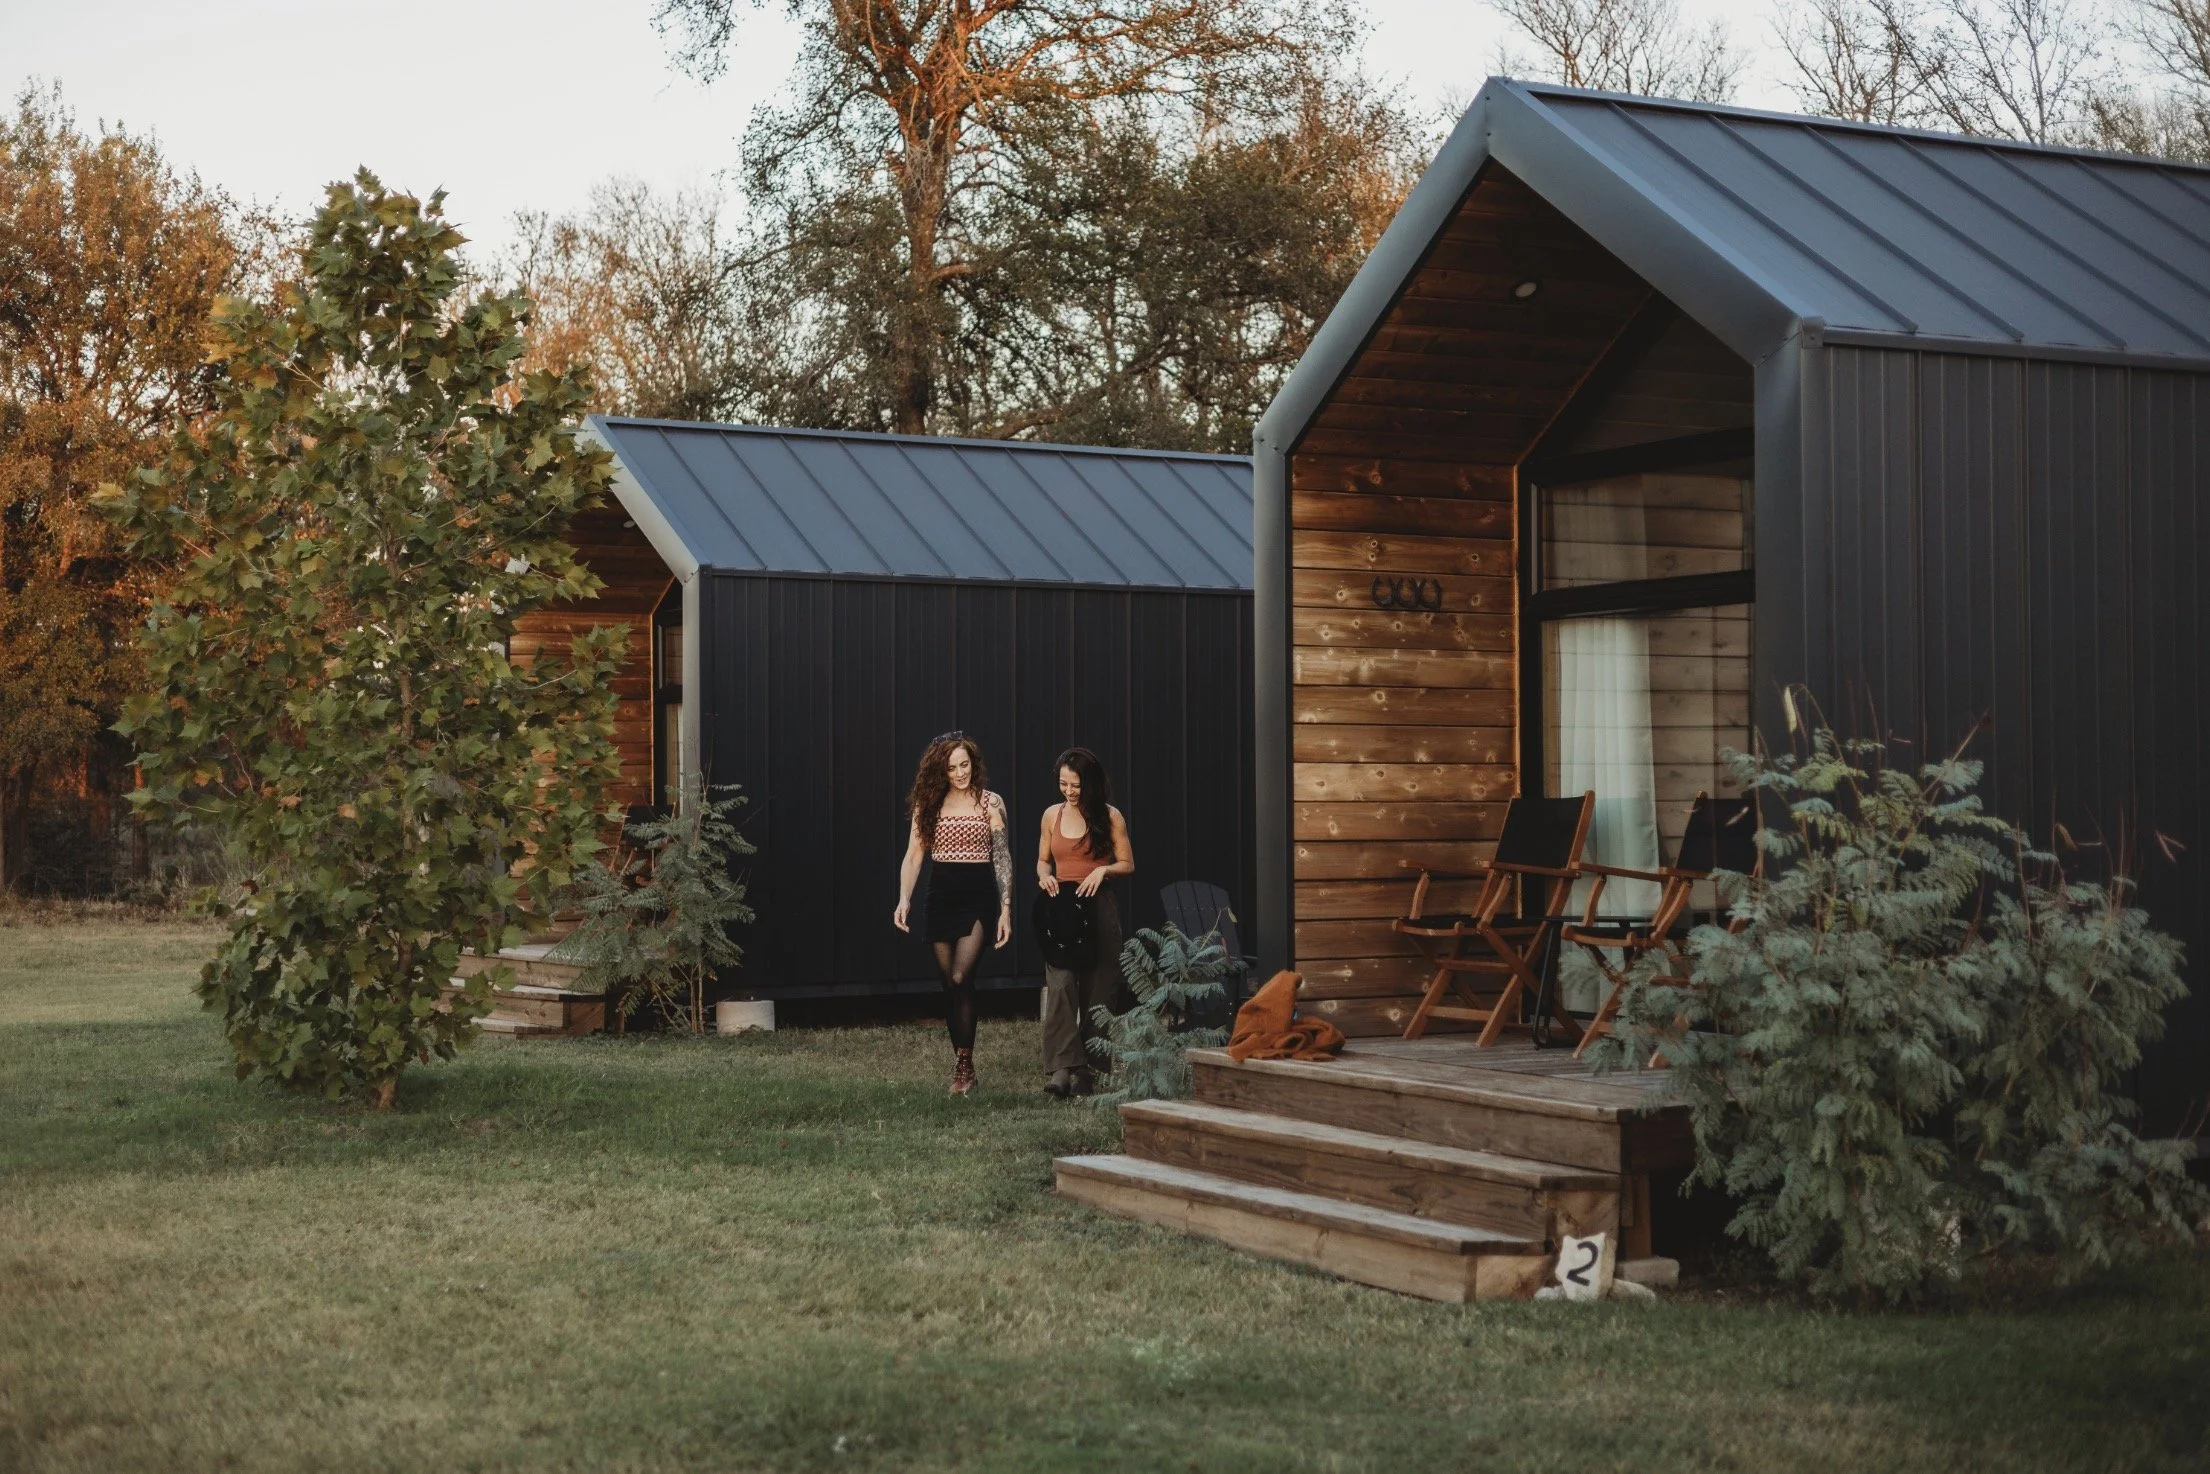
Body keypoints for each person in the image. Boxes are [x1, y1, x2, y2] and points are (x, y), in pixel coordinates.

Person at [893, 733, 1012, 1096]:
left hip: (977, 896)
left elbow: (1002, 857)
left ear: (973, 763)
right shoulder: (928, 805)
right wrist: (904, 899)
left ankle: (963, 1064)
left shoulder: (991, 803)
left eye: (965, 764)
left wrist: (1005, 909)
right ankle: (965, 1064)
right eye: (952, 767)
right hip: (940, 894)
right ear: (939, 770)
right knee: (948, 984)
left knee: (961, 977)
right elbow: (914, 855)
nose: (960, 773)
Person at [1035, 746, 1135, 1097]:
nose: (1069, 790)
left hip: (1098, 906)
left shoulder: (1110, 817)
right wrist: (1043, 876)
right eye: (1063, 783)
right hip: (1062, 910)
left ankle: (1089, 1071)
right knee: (1060, 986)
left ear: (1089, 784)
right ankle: (1061, 1069)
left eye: (1075, 785)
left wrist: (1103, 869)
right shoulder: (1051, 815)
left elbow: (1127, 863)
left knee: (1099, 989)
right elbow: (1043, 860)